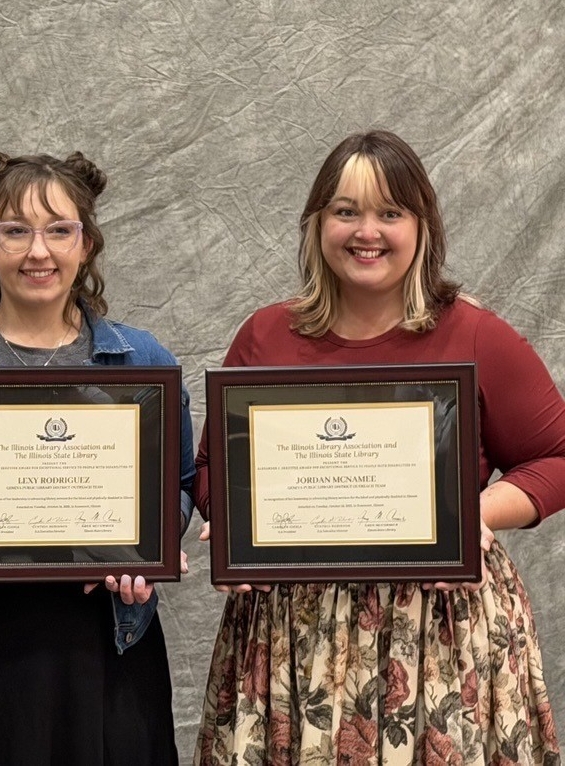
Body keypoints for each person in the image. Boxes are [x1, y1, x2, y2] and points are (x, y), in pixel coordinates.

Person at [193, 130, 564, 765]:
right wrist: (233, 524)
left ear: (422, 228)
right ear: (317, 226)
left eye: (390, 212)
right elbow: (211, 471)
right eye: (346, 211)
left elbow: (558, 456)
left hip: (437, 634)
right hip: (290, 636)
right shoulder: (265, 335)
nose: (368, 232)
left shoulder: (475, 334)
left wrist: (476, 513)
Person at [0, 151, 196, 765]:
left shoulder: (142, 363)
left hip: (103, 640)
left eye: (59, 230)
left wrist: (147, 550)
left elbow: (179, 491)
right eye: (15, 231)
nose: (38, 251)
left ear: (87, 244)